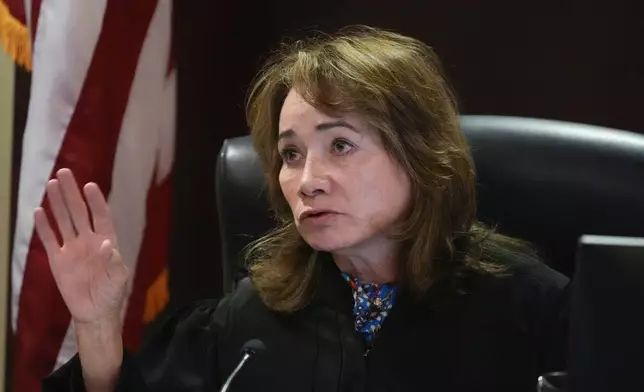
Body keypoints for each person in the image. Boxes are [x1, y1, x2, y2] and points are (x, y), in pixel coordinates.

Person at [41, 25, 569, 392]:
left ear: (420, 155)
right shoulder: (252, 321)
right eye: (291, 154)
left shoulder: (532, 309)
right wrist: (98, 324)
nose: (308, 180)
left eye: (340, 145)